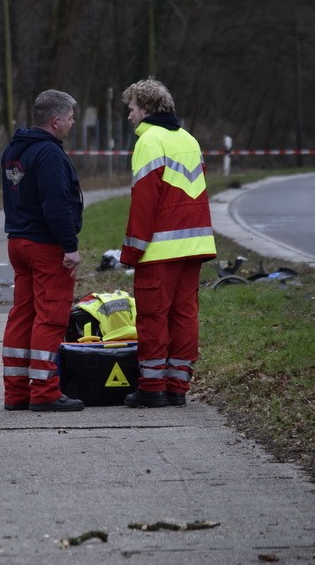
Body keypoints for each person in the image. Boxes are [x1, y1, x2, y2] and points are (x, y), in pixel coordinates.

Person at [120, 78, 216, 408]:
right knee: (184, 315)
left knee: (152, 318)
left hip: (160, 249)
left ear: (146, 109)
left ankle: (151, 388)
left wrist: (132, 250)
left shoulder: (149, 142)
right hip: (195, 246)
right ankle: (177, 387)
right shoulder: (188, 139)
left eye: (131, 108)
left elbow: (144, 203)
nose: (129, 116)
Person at [0, 89, 85, 412]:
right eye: (71, 117)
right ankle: (45, 390)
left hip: (18, 242)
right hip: (45, 245)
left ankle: (16, 390)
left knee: (23, 314)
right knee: (50, 317)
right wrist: (70, 246)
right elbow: (57, 205)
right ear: (56, 120)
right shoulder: (48, 153)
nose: (72, 123)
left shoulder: (14, 149)